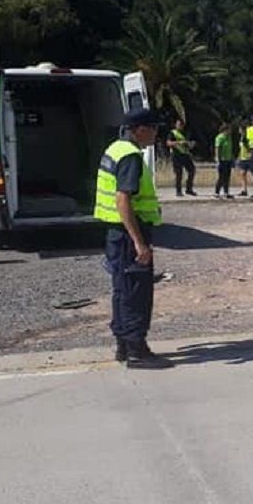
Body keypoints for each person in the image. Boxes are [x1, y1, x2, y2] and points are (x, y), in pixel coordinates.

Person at [95, 108, 173, 369]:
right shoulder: (130, 157)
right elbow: (122, 199)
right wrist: (139, 241)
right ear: (140, 129)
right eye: (154, 128)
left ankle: (123, 345)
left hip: (117, 234)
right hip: (130, 233)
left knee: (122, 290)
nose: (156, 133)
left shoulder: (115, 148)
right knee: (136, 293)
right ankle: (137, 350)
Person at [166, 118, 197, 196]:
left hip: (185, 154)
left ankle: (189, 189)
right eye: (178, 124)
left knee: (192, 170)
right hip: (176, 155)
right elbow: (168, 143)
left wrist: (190, 144)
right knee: (179, 173)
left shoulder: (185, 133)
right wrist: (178, 142)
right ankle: (178, 191)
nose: (180, 126)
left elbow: (188, 143)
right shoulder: (172, 133)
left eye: (181, 125)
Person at [213, 122, 236, 199]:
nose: (230, 131)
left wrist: (232, 158)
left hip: (228, 159)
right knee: (221, 177)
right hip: (222, 160)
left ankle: (226, 192)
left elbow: (230, 148)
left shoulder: (229, 137)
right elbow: (217, 148)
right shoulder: (220, 137)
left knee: (227, 177)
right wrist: (217, 159)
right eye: (229, 130)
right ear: (225, 130)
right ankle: (217, 192)